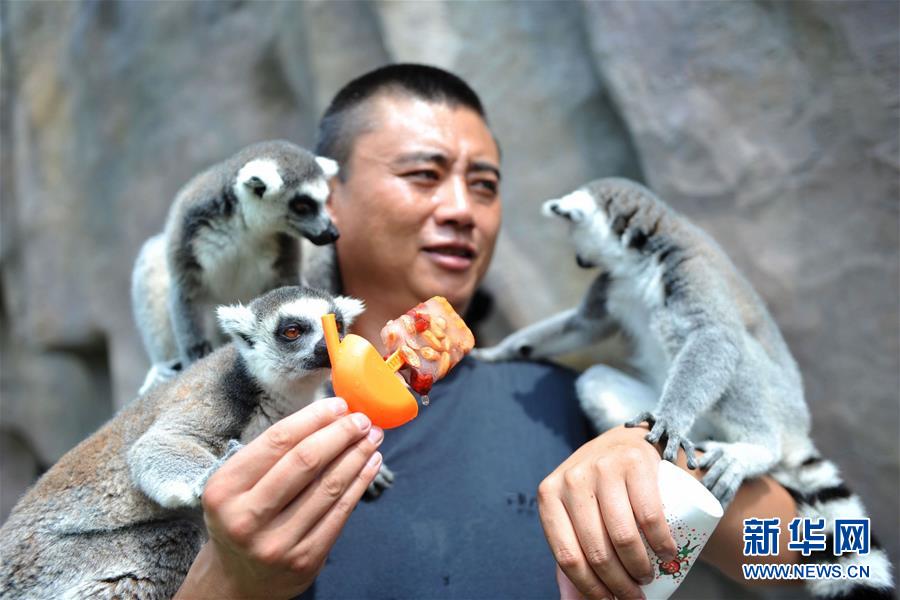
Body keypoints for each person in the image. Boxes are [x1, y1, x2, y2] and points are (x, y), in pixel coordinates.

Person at [176, 64, 800, 599]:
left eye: (484, 186)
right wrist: (227, 577)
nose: (462, 210)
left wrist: (671, 465)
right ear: (327, 198)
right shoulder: (208, 420)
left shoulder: (563, 401)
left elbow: (827, 556)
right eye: (424, 174)